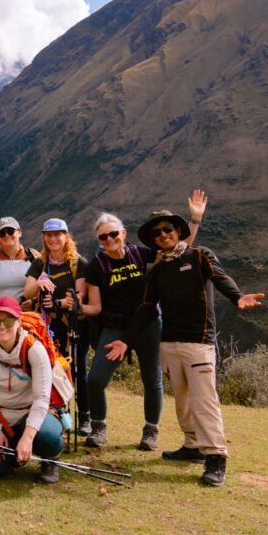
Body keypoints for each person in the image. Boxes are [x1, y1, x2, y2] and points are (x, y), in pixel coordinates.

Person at [105, 210, 264, 487]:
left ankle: (216, 456)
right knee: (182, 399)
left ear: (178, 231)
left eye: (167, 229)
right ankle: (192, 446)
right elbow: (145, 309)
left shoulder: (200, 255)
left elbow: (219, 276)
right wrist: (127, 340)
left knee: (205, 400)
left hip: (199, 341)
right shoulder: (157, 271)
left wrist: (237, 297)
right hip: (169, 343)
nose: (163, 235)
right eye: (157, 233)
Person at [81, 190, 206, 450]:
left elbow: (176, 250)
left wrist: (194, 221)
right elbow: (95, 306)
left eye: (113, 234)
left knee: (152, 379)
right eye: (103, 237)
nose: (109, 239)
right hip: (114, 327)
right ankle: (99, 427)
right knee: (96, 379)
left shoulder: (141, 254)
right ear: (100, 241)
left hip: (148, 323)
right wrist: (76, 307)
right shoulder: (96, 266)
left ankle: (151, 431)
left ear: (123, 234)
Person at [0, 297, 65, 483]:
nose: (1, 326)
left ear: (19, 322)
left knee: (48, 437)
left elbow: (41, 398)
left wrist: (28, 437)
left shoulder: (34, 349)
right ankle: (13, 455)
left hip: (33, 414)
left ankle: (51, 459)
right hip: (2, 417)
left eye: (8, 320)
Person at [23, 218, 91, 435]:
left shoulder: (78, 263)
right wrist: (39, 284)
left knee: (78, 369)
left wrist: (59, 303)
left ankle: (85, 416)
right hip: (47, 325)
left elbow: (79, 296)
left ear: (66, 236)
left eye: (58, 234)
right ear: (45, 238)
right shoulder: (40, 263)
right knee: (49, 369)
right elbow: (28, 293)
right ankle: (54, 414)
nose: (53, 239)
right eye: (49, 235)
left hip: (73, 325)